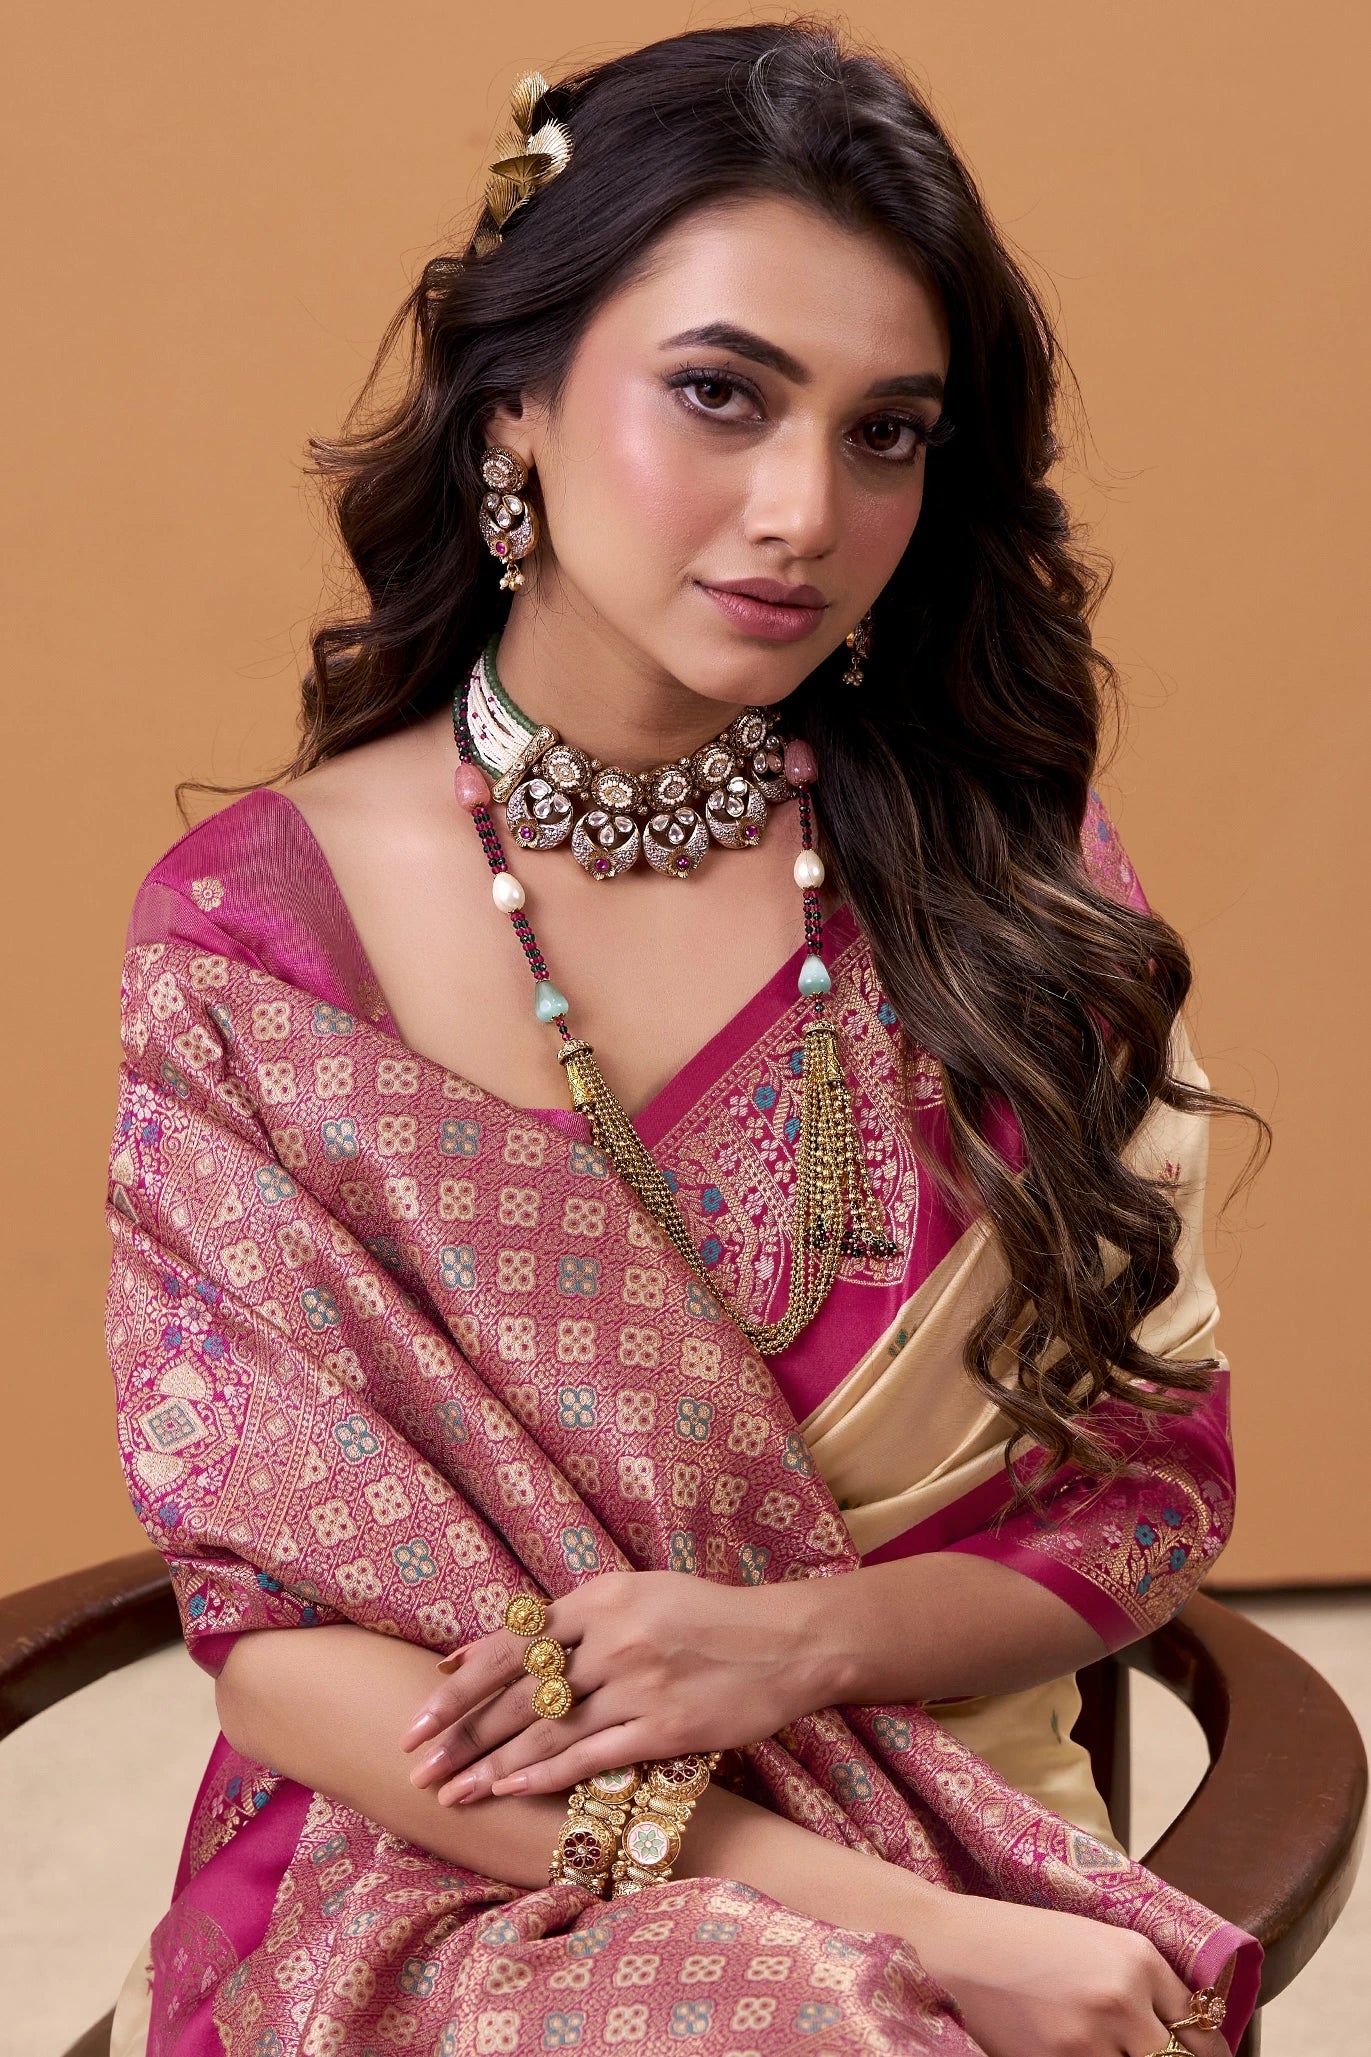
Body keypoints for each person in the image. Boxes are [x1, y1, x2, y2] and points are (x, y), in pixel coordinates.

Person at [104, 22, 1263, 2057]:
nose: (800, 511)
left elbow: (1145, 1499)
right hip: (449, 1857)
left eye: (884, 432)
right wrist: (891, 1934)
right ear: (514, 409)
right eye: (716, 397)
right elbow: (284, 1647)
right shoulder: (262, 940)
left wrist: (792, 1645)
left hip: (935, 1776)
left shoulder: (1008, 892)